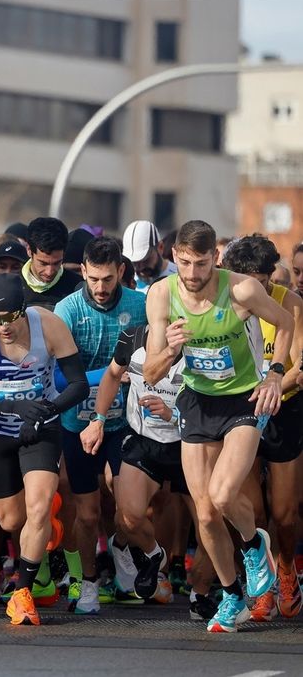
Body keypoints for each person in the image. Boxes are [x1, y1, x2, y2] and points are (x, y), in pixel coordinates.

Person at [142, 220, 294, 633]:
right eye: (186, 263)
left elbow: (285, 323)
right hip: (198, 401)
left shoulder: (241, 289)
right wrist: (171, 350)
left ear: (216, 259)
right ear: (174, 256)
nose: (193, 274)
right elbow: (152, 372)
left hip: (245, 399)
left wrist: (275, 374)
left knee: (224, 494)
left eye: (202, 264)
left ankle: (253, 545)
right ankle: (232, 597)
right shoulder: (161, 295)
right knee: (206, 514)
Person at [0, 272, 88, 626]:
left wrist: (47, 410)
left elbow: (78, 384)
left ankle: (23, 591)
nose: (3, 327)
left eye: (10, 318)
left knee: (39, 506)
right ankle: (45, 525)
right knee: (11, 519)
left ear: (23, 310)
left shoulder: (49, 325)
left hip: (41, 428)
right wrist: (14, 409)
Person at [55, 236, 147, 614]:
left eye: (108, 279)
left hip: (126, 421)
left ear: (122, 272)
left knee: (128, 510)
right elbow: (60, 381)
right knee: (88, 512)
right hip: (77, 422)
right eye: (93, 279)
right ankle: (89, 582)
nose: (100, 287)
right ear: (83, 272)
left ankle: (122, 549)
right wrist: (110, 374)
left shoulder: (141, 305)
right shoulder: (67, 309)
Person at [221, 234, 303, 621]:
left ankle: (287, 568)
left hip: (283, 411)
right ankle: (264, 583)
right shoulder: (227, 301)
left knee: (285, 513)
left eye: (264, 278)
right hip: (243, 412)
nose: (258, 286)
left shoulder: (291, 304)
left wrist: (273, 386)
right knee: (251, 512)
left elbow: (299, 366)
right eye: (248, 277)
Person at [85, 322, 189, 607]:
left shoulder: (197, 342)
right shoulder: (133, 336)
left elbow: (215, 399)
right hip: (143, 440)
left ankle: (209, 590)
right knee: (127, 518)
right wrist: (99, 420)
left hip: (188, 441)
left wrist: (172, 413)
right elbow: (112, 375)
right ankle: (155, 556)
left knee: (207, 519)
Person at [21, 217, 83, 309]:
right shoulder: (11, 286)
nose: (49, 272)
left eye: (56, 263)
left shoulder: (78, 289)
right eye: (43, 263)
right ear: (29, 250)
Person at [123, 220, 178, 291]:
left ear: (160, 247)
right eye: (135, 263)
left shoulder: (180, 277)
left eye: (146, 259)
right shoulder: (125, 281)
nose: (141, 268)